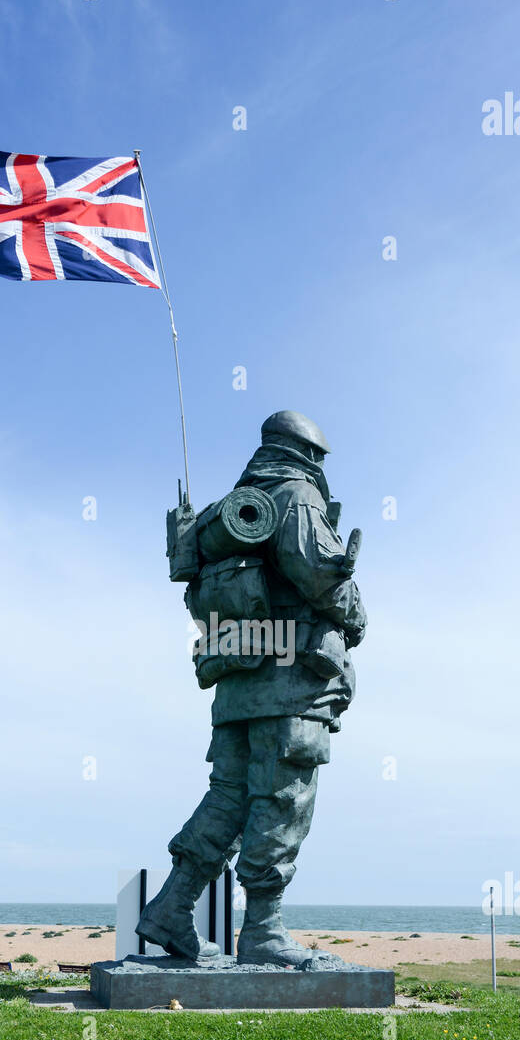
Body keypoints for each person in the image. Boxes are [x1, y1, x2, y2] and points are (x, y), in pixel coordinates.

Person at [137, 410, 367, 966]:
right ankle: (264, 929)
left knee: (230, 798)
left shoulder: (229, 511)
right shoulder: (295, 497)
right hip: (291, 686)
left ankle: (172, 906)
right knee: (283, 799)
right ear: (306, 455)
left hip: (238, 685)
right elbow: (318, 573)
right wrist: (356, 613)